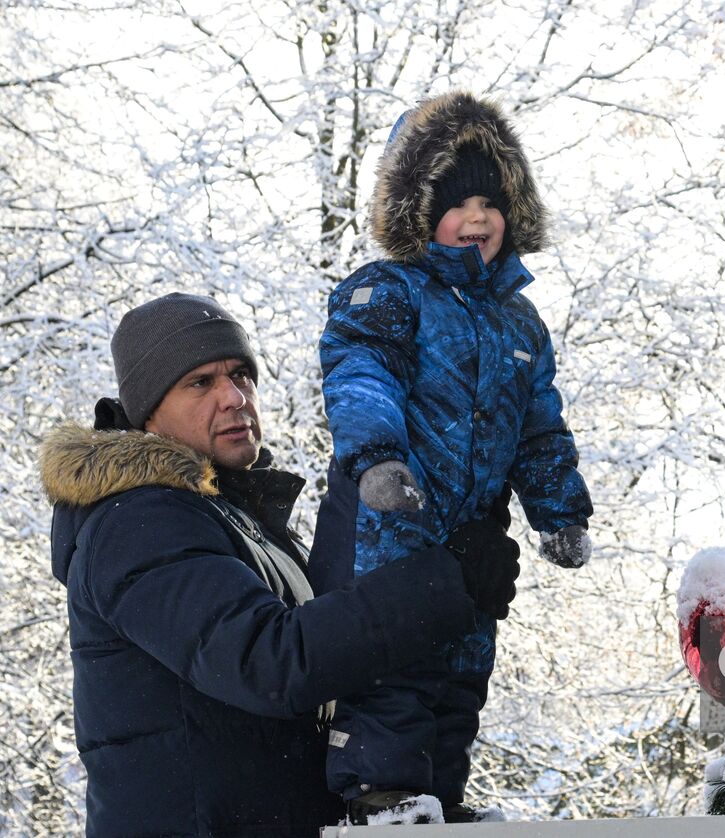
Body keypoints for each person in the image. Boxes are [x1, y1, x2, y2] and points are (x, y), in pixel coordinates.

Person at [41, 292, 522, 837]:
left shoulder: (239, 522)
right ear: (148, 409)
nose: (234, 397)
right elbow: (268, 662)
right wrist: (446, 581)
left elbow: (331, 655)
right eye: (200, 382)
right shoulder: (137, 522)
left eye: (241, 375)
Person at [318, 89, 593, 821]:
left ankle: (442, 797)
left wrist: (559, 511)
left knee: (462, 669)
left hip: (474, 537)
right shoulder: (390, 292)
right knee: (392, 669)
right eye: (456, 203)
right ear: (418, 213)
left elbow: (539, 426)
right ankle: (381, 794)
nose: (477, 218)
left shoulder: (521, 323)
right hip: (390, 528)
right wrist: (378, 458)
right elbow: (361, 373)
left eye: (491, 203)